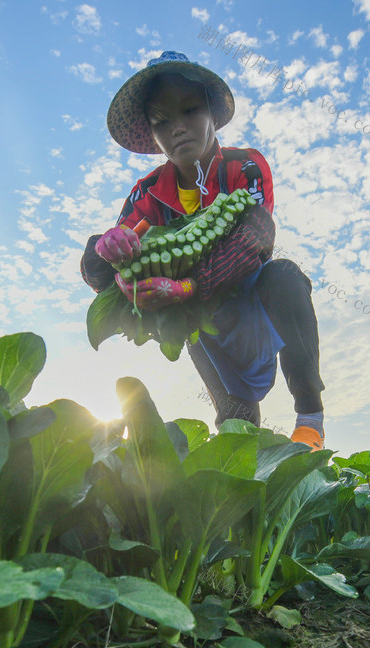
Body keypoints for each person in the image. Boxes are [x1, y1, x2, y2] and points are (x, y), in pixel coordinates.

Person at [79, 50, 326, 450]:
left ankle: (309, 423)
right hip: (205, 321)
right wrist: (103, 252)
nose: (178, 128)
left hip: (256, 302)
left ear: (212, 113)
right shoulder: (148, 194)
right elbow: (110, 263)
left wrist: (187, 287)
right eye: (162, 121)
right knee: (236, 423)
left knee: (286, 276)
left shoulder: (243, 167)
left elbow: (256, 238)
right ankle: (244, 458)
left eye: (190, 110)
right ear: (152, 133)